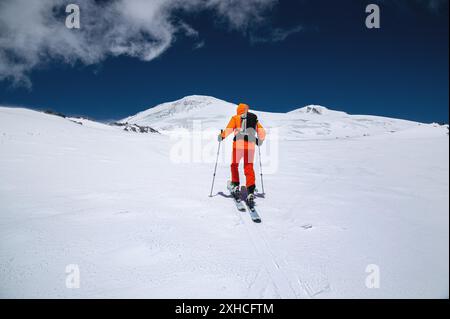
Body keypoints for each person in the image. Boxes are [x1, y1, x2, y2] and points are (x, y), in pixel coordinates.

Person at [218, 103, 266, 207]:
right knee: (248, 166)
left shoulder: (235, 118)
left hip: (238, 146)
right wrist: (260, 140)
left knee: (234, 164)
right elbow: (262, 132)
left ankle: (235, 184)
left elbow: (229, 130)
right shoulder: (253, 119)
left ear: (238, 110)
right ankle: (251, 189)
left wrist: (221, 136)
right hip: (251, 146)